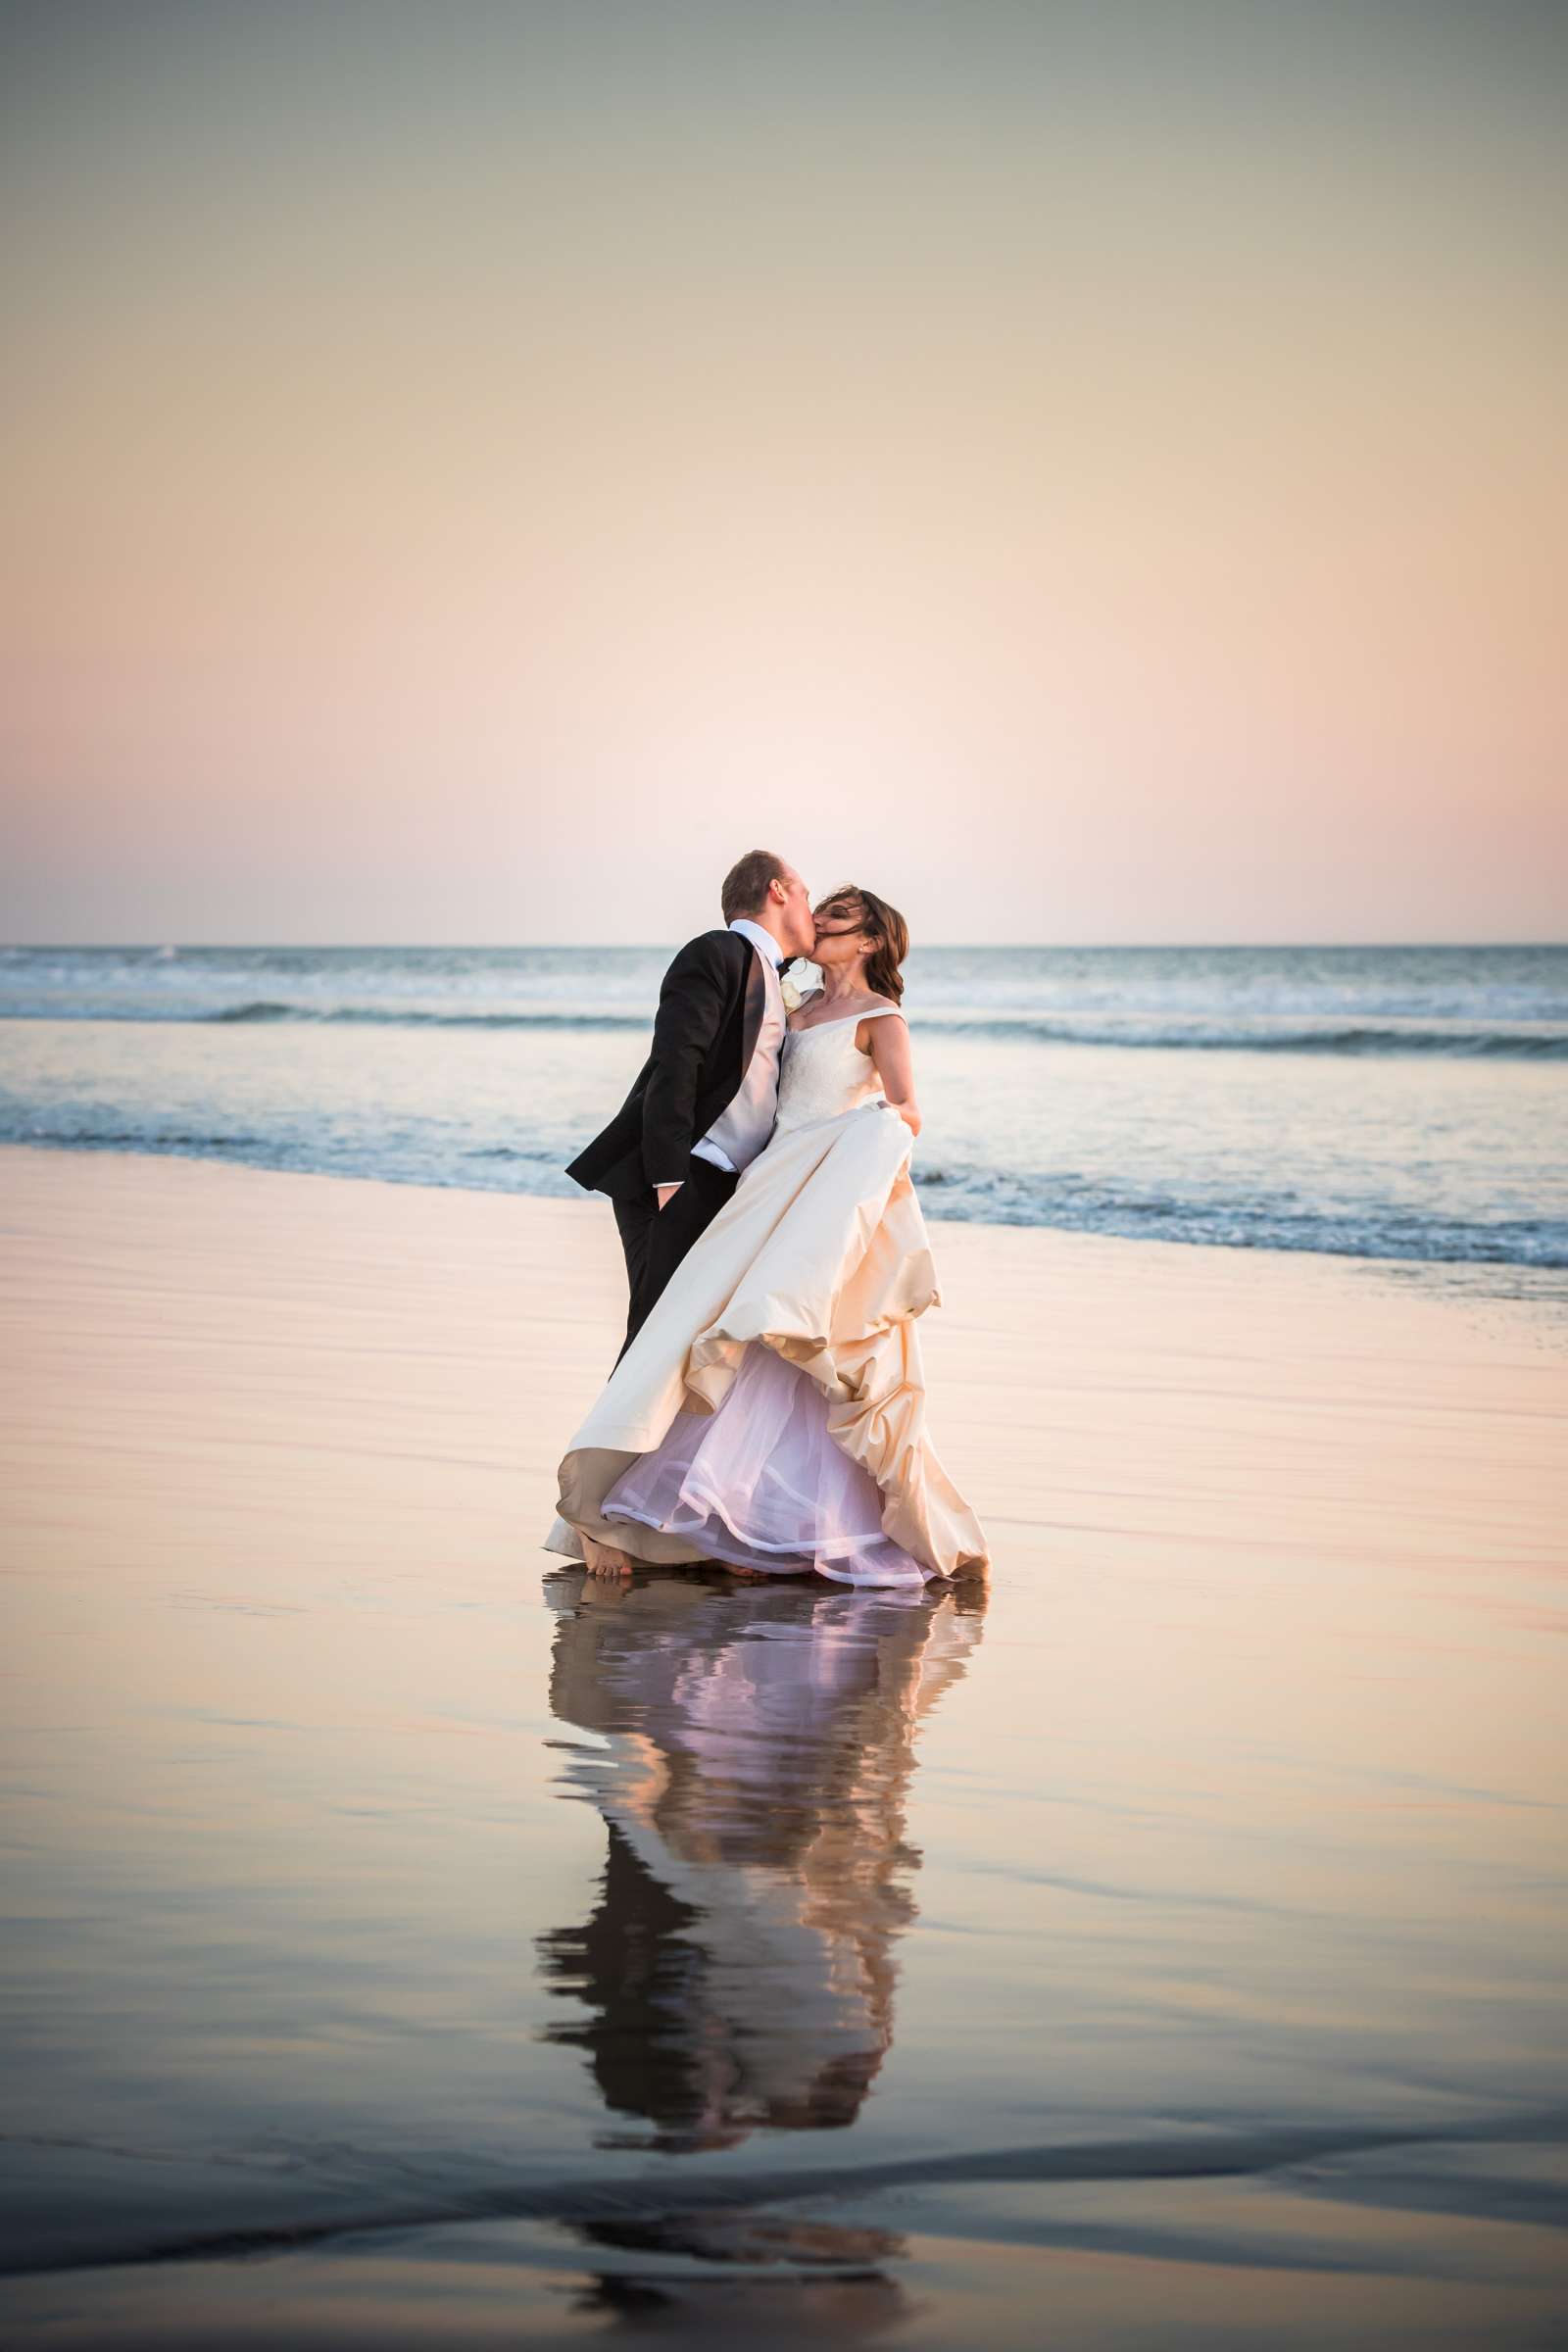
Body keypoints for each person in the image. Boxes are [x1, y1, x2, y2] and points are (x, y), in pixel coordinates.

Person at [545, 884, 989, 1592]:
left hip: (817, 1190)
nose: (818, 922)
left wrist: (853, 1145)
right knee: (707, 1332)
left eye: (836, 918)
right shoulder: (794, 1006)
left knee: (786, 1345)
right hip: (763, 1185)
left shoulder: (881, 1018)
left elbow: (905, 1111)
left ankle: (784, 1523)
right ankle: (671, 1510)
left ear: (869, 940)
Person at [564, 850, 817, 1358]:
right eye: (807, 895)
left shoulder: (777, 976)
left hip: (731, 1190)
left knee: (692, 1351)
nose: (812, 910)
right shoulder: (717, 953)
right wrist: (669, 1179)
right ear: (778, 890)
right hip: (684, 1178)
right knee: (652, 1346)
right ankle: (615, 1441)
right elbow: (675, 1062)